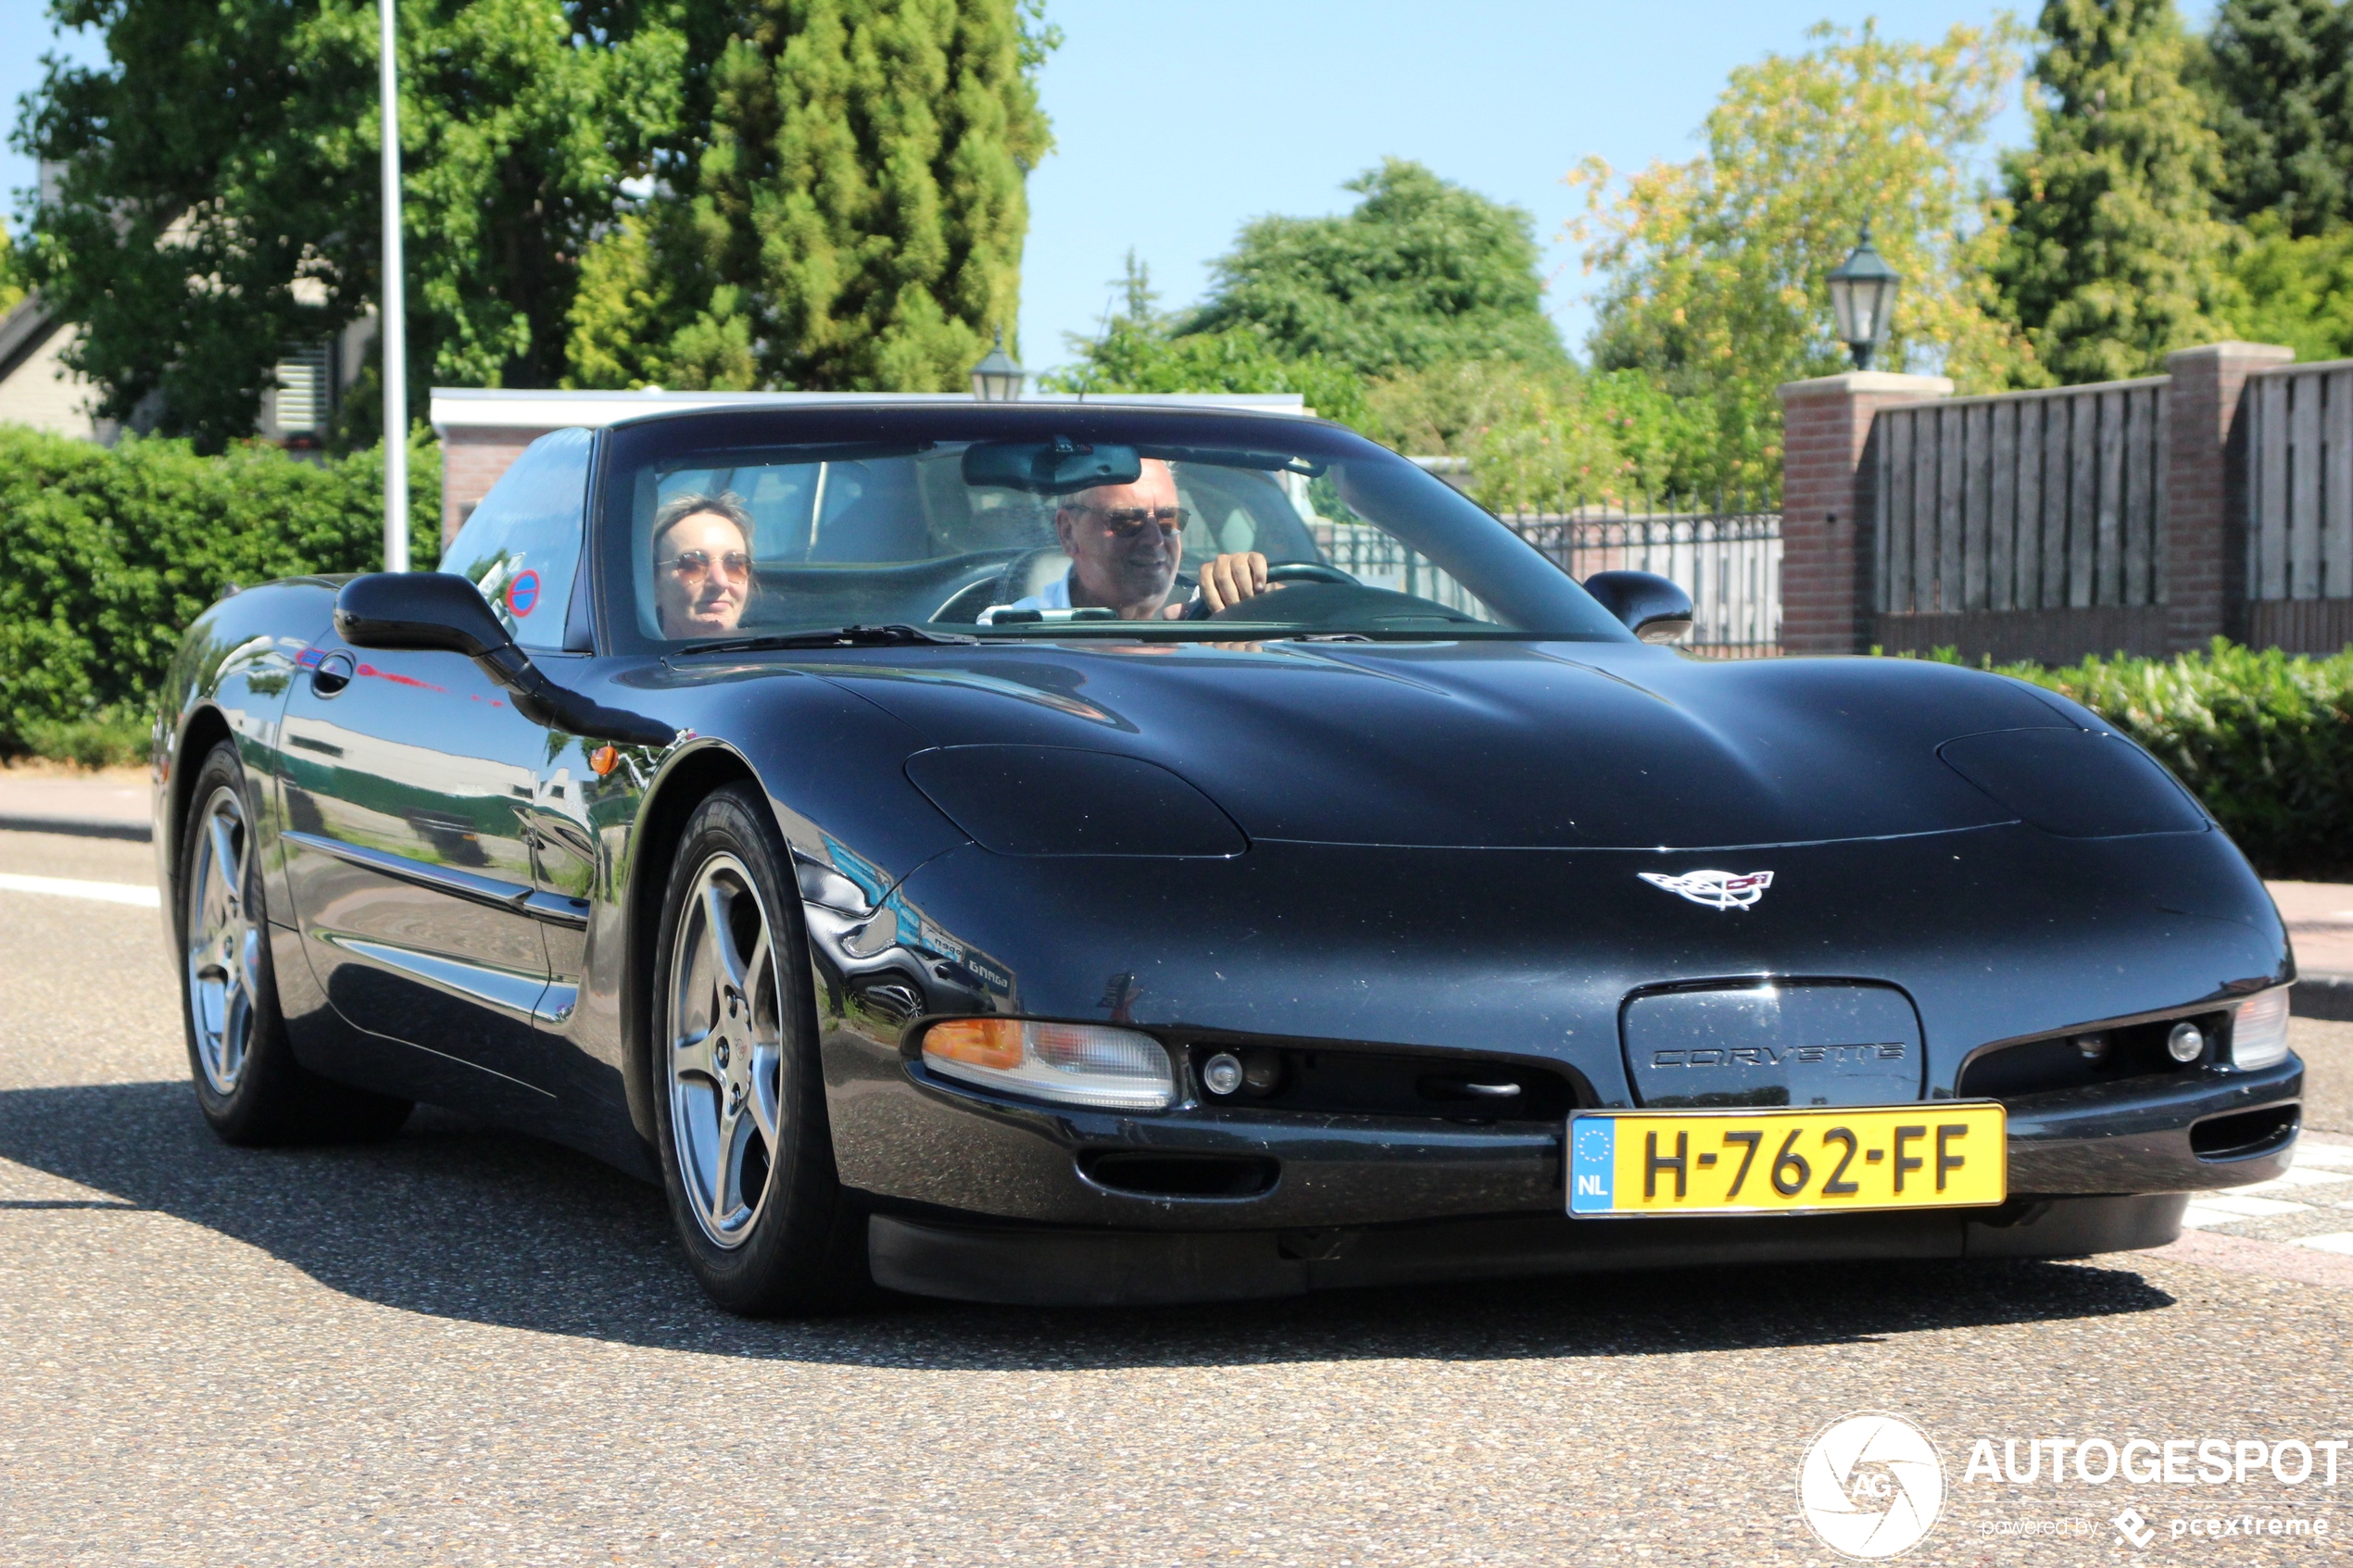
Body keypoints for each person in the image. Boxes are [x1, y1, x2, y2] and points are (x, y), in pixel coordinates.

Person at [1011, 458, 1279, 620]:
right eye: (1126, 519)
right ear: (1068, 532)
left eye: (1169, 519)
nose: (1155, 540)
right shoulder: (1011, 634)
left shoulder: (1220, 609)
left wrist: (1258, 598)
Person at [652, 491, 755, 638]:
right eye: (693, 565)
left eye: (735, 565)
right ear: (654, 585)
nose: (721, 581)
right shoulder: (620, 656)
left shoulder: (778, 659)